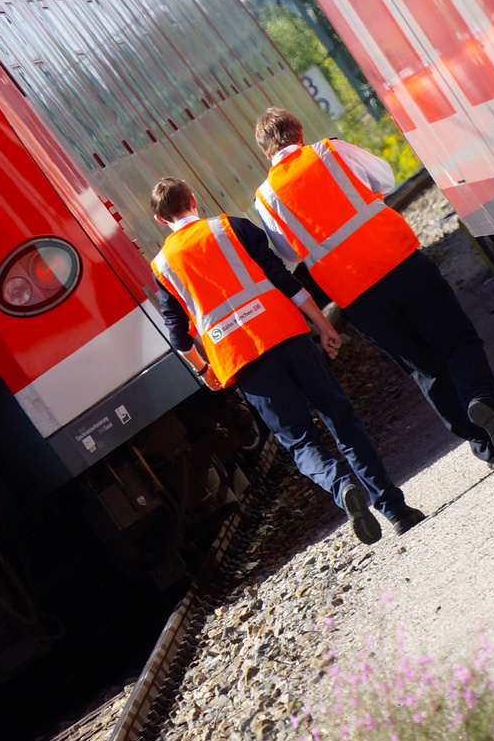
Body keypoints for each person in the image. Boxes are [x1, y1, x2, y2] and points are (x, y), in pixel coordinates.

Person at [149, 177, 425, 543]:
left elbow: (178, 335)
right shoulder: (232, 227)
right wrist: (323, 323)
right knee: (342, 420)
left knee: (300, 442)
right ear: (193, 200)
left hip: (244, 361)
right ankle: (395, 510)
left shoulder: (163, 266)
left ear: (159, 220)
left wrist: (203, 369)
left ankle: (341, 486)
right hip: (287, 335)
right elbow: (284, 280)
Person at [250, 107, 494, 468]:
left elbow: (286, 251)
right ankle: (479, 398)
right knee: (455, 339)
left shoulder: (266, 197)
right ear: (298, 132)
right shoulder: (331, 151)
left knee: (423, 368)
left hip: (357, 295)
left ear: (267, 151)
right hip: (400, 262)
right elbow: (385, 179)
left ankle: (483, 445)